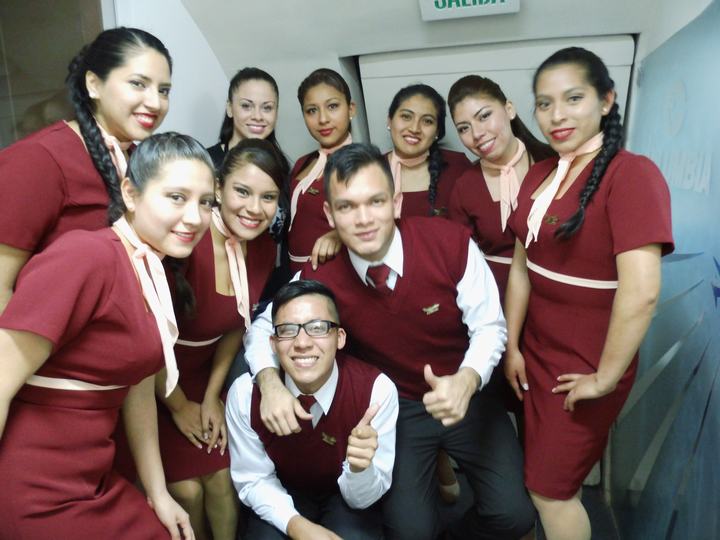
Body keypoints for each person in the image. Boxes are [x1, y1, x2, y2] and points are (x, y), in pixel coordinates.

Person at [244, 143, 536, 540]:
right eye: (347, 207)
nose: (364, 219)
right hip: (399, 406)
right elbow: (265, 326)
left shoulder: (449, 243)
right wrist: (270, 383)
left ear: (395, 202)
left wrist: (467, 380)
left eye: (375, 202)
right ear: (330, 215)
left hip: (467, 389)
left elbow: (489, 327)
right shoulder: (324, 273)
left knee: (513, 515)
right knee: (409, 531)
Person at [0, 132, 217, 539]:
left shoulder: (152, 270)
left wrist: (158, 493)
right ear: (130, 194)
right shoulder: (87, 256)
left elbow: (137, 384)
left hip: (94, 475)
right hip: (36, 487)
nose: (195, 217)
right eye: (177, 197)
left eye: (206, 202)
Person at [503, 47, 673, 540]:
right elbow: (522, 267)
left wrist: (605, 378)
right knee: (545, 480)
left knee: (550, 492)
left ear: (606, 100)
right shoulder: (541, 173)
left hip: (586, 361)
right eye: (544, 103)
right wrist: (512, 345)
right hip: (536, 351)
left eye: (573, 98)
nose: (556, 115)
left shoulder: (631, 174)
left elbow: (642, 292)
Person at [155, 139, 284, 540]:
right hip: (155, 378)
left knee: (223, 480)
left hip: (205, 376)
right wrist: (179, 405)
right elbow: (146, 339)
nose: (254, 208)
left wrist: (213, 395)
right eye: (242, 191)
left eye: (268, 197)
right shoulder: (183, 241)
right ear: (218, 187)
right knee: (188, 491)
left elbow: (234, 325)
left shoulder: (263, 248)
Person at [0, 27, 172, 313]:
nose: (155, 102)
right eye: (138, 84)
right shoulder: (38, 160)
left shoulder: (137, 160)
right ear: (93, 84)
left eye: (163, 90)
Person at [227, 280, 398, 539]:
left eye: (317, 328)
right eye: (288, 330)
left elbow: (362, 499)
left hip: (344, 495)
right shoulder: (245, 395)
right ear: (272, 343)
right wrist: (297, 526)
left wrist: (359, 469)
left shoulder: (376, 391)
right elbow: (254, 479)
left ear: (339, 338)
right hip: (278, 488)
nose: (302, 342)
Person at [447, 75, 555, 298]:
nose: (477, 134)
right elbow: (460, 263)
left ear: (509, 109)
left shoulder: (554, 162)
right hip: (495, 299)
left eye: (484, 116)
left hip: (556, 296)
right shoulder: (465, 187)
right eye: (464, 128)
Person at [288, 68, 355, 273]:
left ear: (351, 109)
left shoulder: (362, 165)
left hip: (335, 272)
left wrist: (339, 234)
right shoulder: (303, 163)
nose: (323, 119)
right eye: (312, 111)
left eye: (332, 106)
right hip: (296, 273)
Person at [386, 83, 470, 218]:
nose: (414, 128)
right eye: (406, 116)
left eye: (427, 121)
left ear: (437, 131)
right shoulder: (368, 169)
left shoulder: (458, 167)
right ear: (389, 121)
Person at [206, 67, 290, 175]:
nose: (257, 116)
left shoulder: (281, 167)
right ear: (230, 108)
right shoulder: (205, 162)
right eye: (246, 106)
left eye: (267, 108)